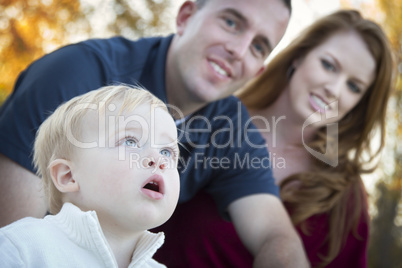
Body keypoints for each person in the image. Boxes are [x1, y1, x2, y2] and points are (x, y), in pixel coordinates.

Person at [0, 0, 309, 267]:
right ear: (186, 16)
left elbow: (275, 235)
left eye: (258, 47)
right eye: (231, 22)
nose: (238, 50)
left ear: (258, 71)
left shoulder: (232, 128)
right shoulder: (76, 75)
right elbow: (11, 229)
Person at [153, 9, 395, 268]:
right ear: (299, 57)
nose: (334, 89)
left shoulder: (345, 198)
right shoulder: (209, 119)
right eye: (328, 65)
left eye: (353, 86)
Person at [0, 85, 181, 267]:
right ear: (68, 176)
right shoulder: (22, 248)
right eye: (130, 141)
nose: (158, 160)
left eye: (166, 152)